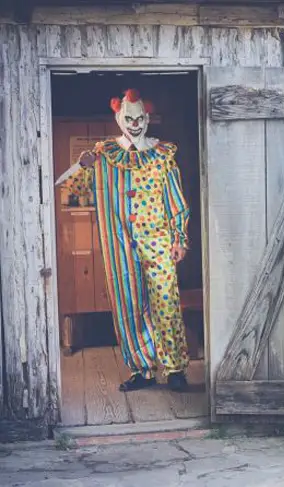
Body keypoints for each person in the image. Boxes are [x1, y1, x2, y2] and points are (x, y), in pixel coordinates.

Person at [57, 88, 191, 393]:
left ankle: (174, 368)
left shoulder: (161, 155)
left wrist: (180, 238)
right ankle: (142, 369)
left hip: (158, 239)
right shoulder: (105, 154)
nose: (134, 123)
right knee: (128, 303)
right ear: (119, 118)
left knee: (166, 301)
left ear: (147, 118)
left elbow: (176, 200)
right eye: (129, 118)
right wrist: (83, 166)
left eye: (139, 117)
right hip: (119, 243)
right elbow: (73, 194)